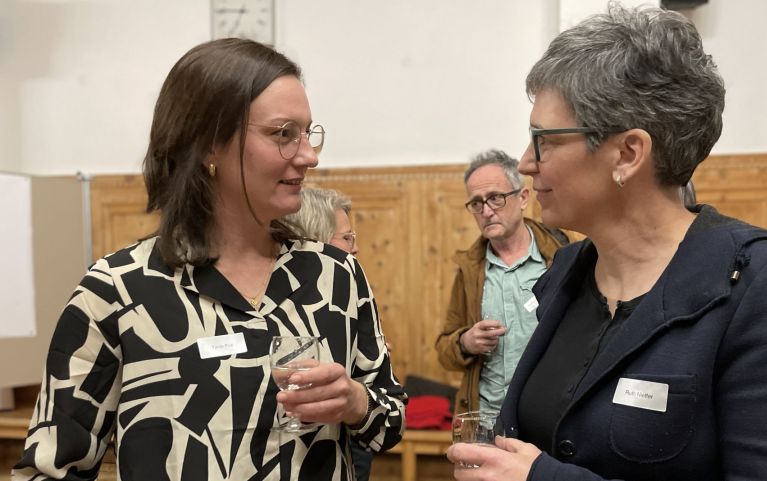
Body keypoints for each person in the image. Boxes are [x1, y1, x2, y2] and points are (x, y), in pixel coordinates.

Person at [446, 4, 767, 480]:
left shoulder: (762, 284)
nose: (526, 162)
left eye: (543, 139)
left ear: (628, 153)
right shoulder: (565, 274)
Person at [12, 38, 405, 481]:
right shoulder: (116, 291)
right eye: (283, 134)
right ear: (207, 146)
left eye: (308, 132)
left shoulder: (335, 277)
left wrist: (355, 403)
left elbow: (389, 423)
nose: (309, 155)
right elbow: (52, 469)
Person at [435, 149, 564, 416]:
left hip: (547, 418)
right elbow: (444, 349)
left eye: (495, 198)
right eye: (477, 203)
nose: (487, 211)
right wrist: (466, 342)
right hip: (487, 419)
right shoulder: (470, 269)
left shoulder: (561, 255)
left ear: (523, 197)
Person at [283, 186, 376, 481]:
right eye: (347, 238)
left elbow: (385, 402)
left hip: (344, 447)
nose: (355, 248)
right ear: (316, 239)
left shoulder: (348, 295)